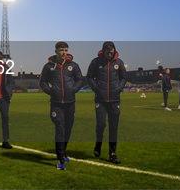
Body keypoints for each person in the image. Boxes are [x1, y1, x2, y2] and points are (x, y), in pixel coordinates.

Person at [40, 41, 84, 170]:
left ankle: (63, 152)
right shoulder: (48, 66)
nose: (64, 52)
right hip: (56, 104)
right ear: (56, 51)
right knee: (60, 128)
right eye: (61, 50)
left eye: (65, 50)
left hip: (70, 103)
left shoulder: (73, 65)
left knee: (68, 129)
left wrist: (73, 89)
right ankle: (60, 159)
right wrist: (51, 91)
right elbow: (42, 82)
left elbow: (80, 80)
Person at [86, 41, 126, 164]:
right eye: (108, 51)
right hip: (101, 100)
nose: (110, 53)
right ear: (103, 51)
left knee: (113, 127)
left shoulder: (119, 63)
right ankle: (98, 144)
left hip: (114, 100)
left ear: (114, 50)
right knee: (101, 124)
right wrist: (96, 88)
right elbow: (89, 77)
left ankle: (112, 153)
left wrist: (118, 88)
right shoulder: (96, 62)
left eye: (112, 51)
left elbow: (124, 77)